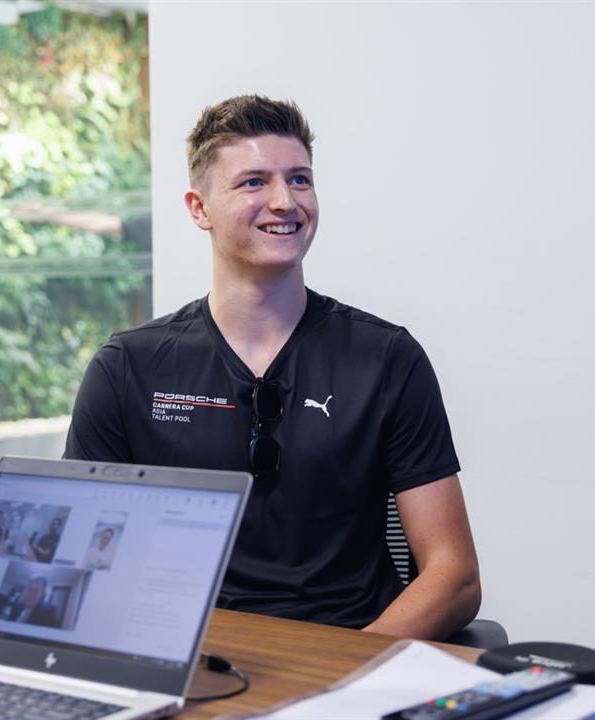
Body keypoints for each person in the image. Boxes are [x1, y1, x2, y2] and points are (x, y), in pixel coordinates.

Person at [65, 95, 481, 640]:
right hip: (188, 653)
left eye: (300, 180)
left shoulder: (385, 358)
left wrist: (344, 669)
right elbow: (83, 560)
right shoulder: (128, 369)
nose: (285, 201)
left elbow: (455, 576)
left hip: (351, 646)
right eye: (254, 182)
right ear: (199, 209)